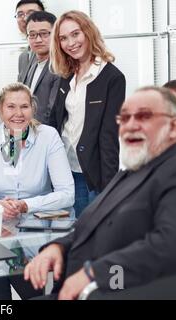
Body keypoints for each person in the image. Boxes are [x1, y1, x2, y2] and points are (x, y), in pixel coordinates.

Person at [24, 86, 176, 300]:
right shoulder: (131, 170)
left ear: (174, 126)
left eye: (144, 116)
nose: (131, 125)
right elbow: (91, 227)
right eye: (124, 118)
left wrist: (94, 274)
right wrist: (57, 247)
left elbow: (170, 246)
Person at [0, 82, 74, 299]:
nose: (18, 113)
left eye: (24, 106)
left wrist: (26, 205)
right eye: (11, 107)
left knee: (28, 285)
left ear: (33, 109)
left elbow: (67, 193)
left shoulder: (48, 136)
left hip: (37, 228)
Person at [49, 10, 126, 217]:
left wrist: (110, 187)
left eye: (76, 34)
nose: (70, 43)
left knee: (93, 233)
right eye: (63, 38)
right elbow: (57, 120)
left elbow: (109, 135)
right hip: (65, 168)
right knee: (71, 233)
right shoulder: (67, 73)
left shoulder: (111, 77)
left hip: (93, 173)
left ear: (88, 33)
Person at [21, 11, 60, 124]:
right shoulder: (32, 65)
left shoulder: (59, 67)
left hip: (46, 134)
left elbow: (52, 111)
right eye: (32, 35)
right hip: (27, 132)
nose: (38, 40)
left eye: (44, 34)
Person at [15, 0, 44, 83]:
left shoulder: (56, 52)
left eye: (31, 13)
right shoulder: (23, 57)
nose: (25, 18)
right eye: (20, 14)